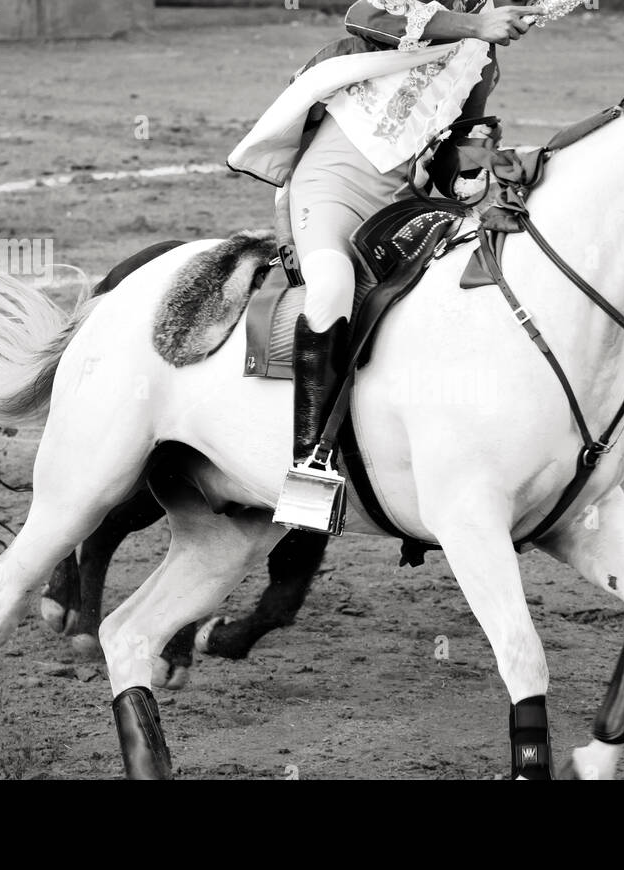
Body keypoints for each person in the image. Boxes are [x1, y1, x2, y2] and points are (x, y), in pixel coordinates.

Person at [228, 0, 547, 531]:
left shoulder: (482, 62)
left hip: (397, 202)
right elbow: (363, 15)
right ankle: (310, 463)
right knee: (331, 287)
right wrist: (475, 26)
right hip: (328, 186)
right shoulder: (426, 13)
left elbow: (450, 152)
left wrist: (476, 167)